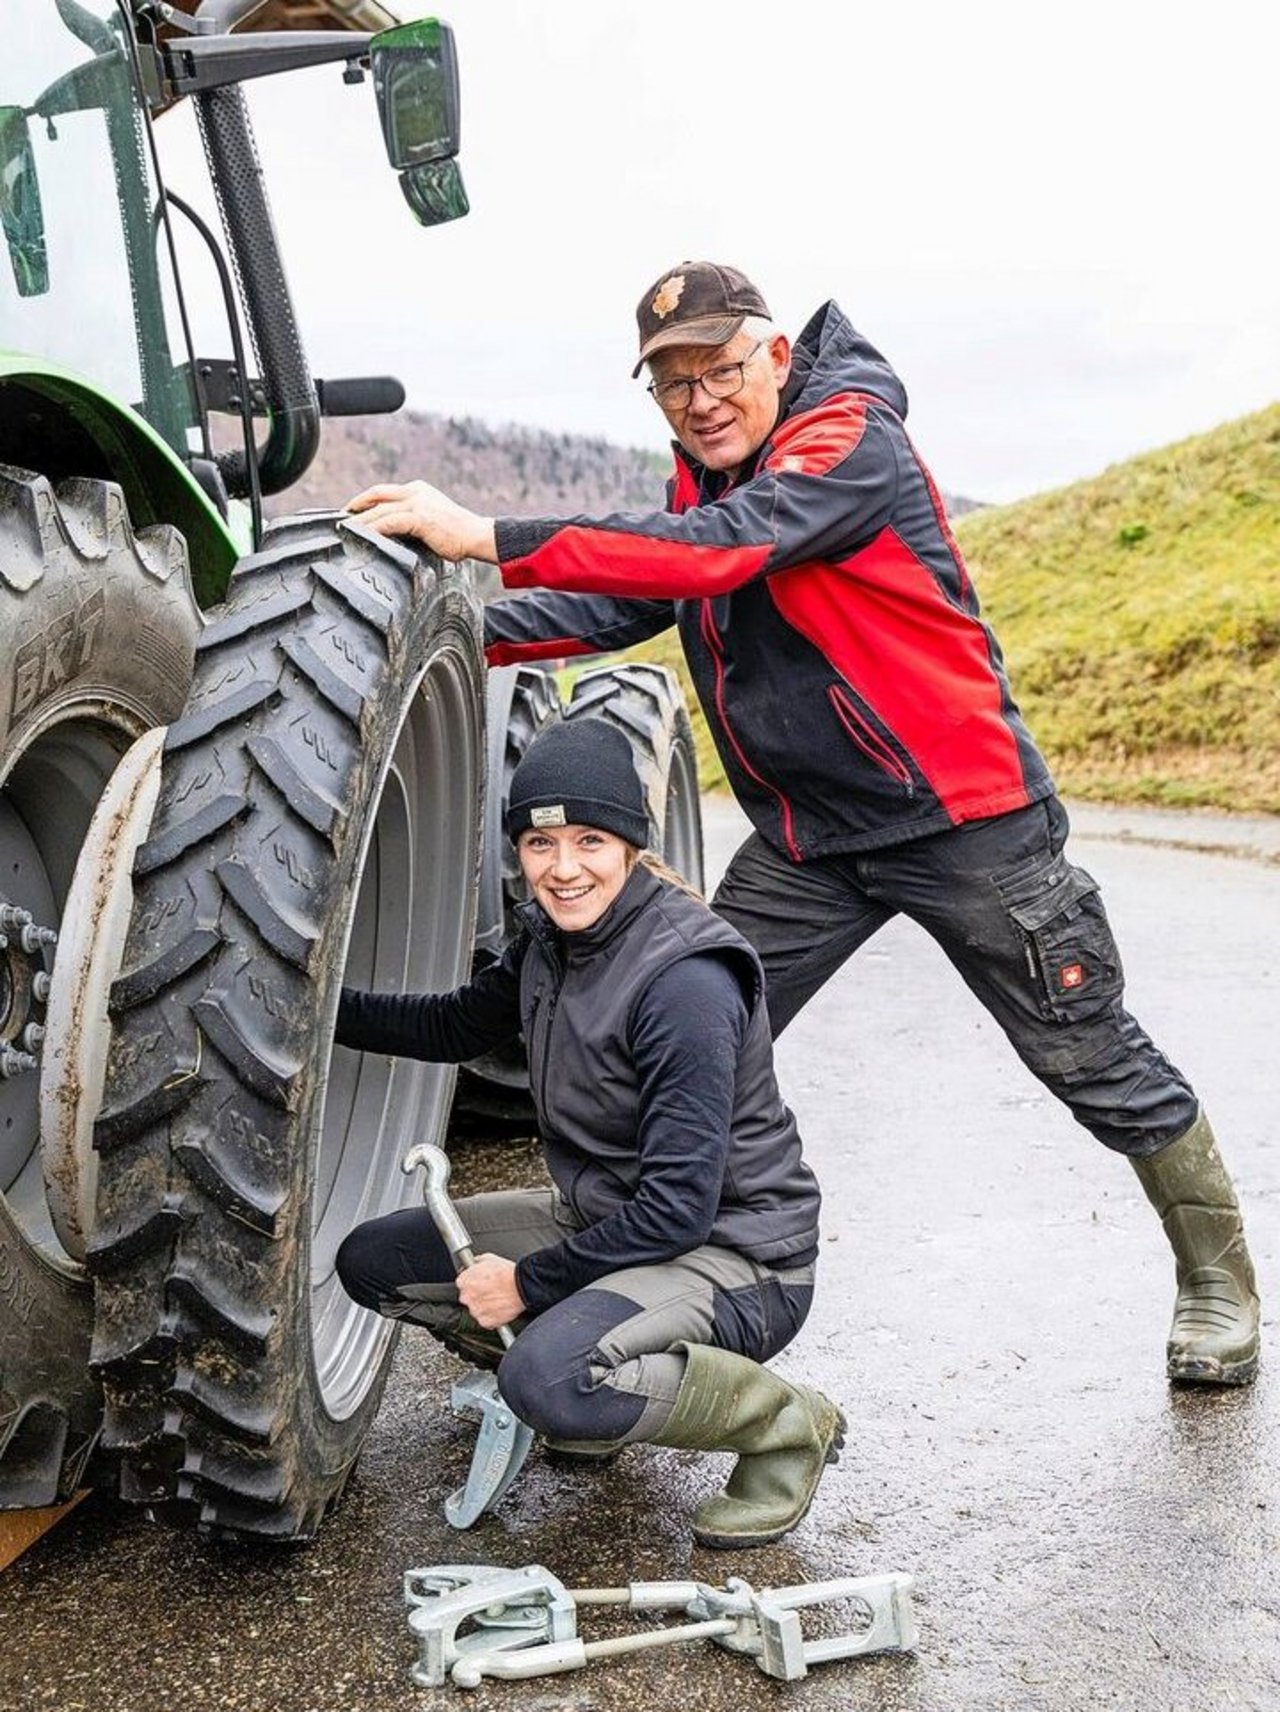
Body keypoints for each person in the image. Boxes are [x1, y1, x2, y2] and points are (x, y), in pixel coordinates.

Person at [344, 260, 1260, 1388]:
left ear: (775, 356)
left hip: (959, 816)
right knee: (668, 1024)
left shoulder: (844, 441)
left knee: (1087, 1051)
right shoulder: (703, 484)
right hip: (805, 841)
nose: (699, 399)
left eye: (720, 368)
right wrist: (446, 633)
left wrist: (486, 530)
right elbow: (626, 597)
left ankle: (1216, 1282)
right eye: (672, 384)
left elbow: (728, 550)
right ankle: (617, 1311)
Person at [334, 716, 841, 1547]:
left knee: (547, 1376)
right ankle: (594, 1391)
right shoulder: (553, 939)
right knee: (376, 1260)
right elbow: (457, 1027)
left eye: (590, 841)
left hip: (735, 1255)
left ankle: (787, 1427)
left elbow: (679, 1207)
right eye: (540, 845)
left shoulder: (685, 982)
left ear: (632, 845)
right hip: (608, 1223)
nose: (563, 868)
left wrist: (529, 1284)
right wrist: (316, 1010)